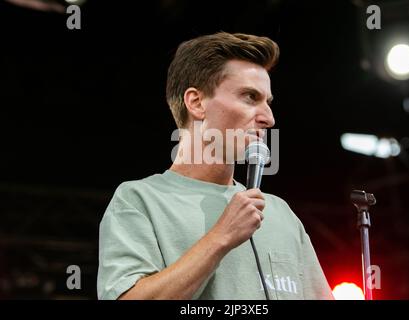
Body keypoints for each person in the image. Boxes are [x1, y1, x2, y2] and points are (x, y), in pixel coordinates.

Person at [97, 32, 334, 300]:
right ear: (196, 103)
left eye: (267, 102)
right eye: (249, 97)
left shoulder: (282, 215)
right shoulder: (139, 200)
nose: (269, 118)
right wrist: (221, 238)